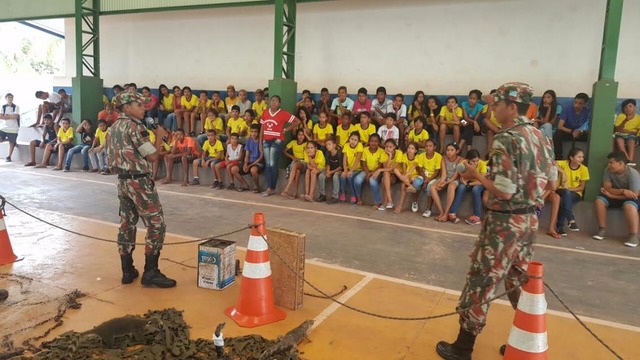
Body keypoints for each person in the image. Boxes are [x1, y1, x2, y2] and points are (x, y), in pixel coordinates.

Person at [436, 82, 555, 359]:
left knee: (482, 280)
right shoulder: (541, 137)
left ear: (512, 108)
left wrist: (474, 174)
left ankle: (463, 348)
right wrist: (530, 200)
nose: (492, 109)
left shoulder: (506, 138)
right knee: (519, 280)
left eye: (496, 104)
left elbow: (503, 189)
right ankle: (526, 341)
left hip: (503, 225)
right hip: (528, 222)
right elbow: (552, 182)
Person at [106, 91, 176, 288]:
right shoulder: (135, 127)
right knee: (156, 224)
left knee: (127, 224)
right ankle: (151, 272)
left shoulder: (112, 129)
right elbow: (152, 157)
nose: (144, 108)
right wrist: (159, 137)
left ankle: (127, 270)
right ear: (126, 108)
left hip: (123, 182)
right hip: (140, 183)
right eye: (139, 105)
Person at [592, 151, 640, 248]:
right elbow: (607, 188)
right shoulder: (607, 170)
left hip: (629, 198)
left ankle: (634, 236)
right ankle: (602, 230)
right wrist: (623, 191)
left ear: (621, 163)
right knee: (599, 201)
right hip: (617, 195)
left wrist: (613, 195)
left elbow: (634, 195)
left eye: (611, 163)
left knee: (629, 206)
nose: (609, 165)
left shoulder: (633, 173)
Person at [259, 95, 300, 197]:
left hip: (277, 140)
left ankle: (271, 188)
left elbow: (297, 121)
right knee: (268, 164)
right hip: (266, 140)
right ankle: (270, 188)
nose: (273, 103)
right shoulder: (265, 113)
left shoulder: (283, 114)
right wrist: (260, 142)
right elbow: (262, 128)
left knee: (273, 163)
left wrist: (286, 129)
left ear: (279, 104)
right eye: (272, 100)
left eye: (276, 101)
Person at [555, 148, 590, 235]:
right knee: (566, 194)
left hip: (575, 193)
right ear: (571, 157)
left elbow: (581, 187)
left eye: (582, 157)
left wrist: (569, 189)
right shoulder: (564, 163)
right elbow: (551, 162)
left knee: (565, 199)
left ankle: (560, 227)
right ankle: (571, 219)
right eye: (579, 157)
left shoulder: (584, 169)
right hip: (560, 189)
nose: (581, 159)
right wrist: (562, 172)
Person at [448, 149, 487, 225]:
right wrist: (465, 180)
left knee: (475, 190)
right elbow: (462, 176)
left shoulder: (482, 164)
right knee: (461, 188)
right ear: (468, 160)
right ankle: (452, 213)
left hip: (479, 183)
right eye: (473, 161)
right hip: (467, 181)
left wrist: (468, 184)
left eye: (477, 161)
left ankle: (477, 216)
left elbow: (482, 180)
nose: (475, 163)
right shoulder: (463, 163)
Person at [553, 93, 591, 160]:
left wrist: (581, 132)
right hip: (568, 132)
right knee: (557, 133)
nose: (576, 105)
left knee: (592, 135)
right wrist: (572, 131)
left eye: (580, 103)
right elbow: (560, 126)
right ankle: (558, 157)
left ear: (585, 104)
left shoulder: (588, 111)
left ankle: (588, 158)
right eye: (575, 102)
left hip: (580, 133)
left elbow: (590, 127)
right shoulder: (567, 109)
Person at [431, 143, 462, 222]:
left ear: (457, 151)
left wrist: (446, 183)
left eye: (452, 150)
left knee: (451, 187)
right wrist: (441, 182)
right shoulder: (444, 159)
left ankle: (446, 213)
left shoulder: (461, 160)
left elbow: (455, 175)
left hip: (454, 180)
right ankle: (441, 211)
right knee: (432, 187)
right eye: (448, 150)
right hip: (446, 178)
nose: (449, 152)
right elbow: (444, 174)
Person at [393, 142, 423, 214]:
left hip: (414, 176)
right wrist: (404, 177)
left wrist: (405, 177)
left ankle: (400, 206)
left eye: (412, 148)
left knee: (403, 184)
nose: (410, 150)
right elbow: (404, 169)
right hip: (406, 176)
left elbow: (412, 169)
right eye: (409, 148)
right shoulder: (404, 155)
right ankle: (410, 186)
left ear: (415, 151)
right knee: (395, 169)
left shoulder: (417, 157)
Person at [281, 129, 308, 199]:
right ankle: (295, 192)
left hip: (304, 163)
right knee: (297, 172)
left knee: (295, 165)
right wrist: (292, 157)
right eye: (299, 135)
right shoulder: (293, 142)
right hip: (296, 162)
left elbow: (307, 157)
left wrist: (298, 160)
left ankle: (287, 187)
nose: (301, 136)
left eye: (302, 135)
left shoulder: (306, 144)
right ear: (297, 135)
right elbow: (284, 151)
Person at [361, 134, 386, 209]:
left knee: (372, 181)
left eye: (376, 141)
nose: (373, 143)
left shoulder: (381, 151)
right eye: (371, 141)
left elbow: (380, 165)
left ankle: (377, 202)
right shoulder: (365, 150)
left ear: (379, 143)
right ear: (369, 142)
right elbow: (363, 164)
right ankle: (357, 198)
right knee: (357, 180)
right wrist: (368, 173)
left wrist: (371, 174)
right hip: (366, 171)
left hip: (377, 172)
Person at [340, 132, 364, 204]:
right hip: (349, 168)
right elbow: (344, 159)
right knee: (342, 176)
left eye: (355, 140)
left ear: (358, 141)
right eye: (352, 139)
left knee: (350, 177)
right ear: (349, 139)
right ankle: (343, 193)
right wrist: (345, 170)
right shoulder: (346, 146)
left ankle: (353, 195)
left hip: (358, 169)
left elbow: (358, 160)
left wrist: (351, 171)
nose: (353, 141)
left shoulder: (359, 146)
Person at [420, 139, 443, 218]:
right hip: (424, 177)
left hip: (435, 177)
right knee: (417, 182)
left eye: (430, 146)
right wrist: (425, 178)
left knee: (430, 186)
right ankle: (414, 202)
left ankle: (428, 209)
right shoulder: (421, 156)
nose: (428, 148)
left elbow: (437, 172)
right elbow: (420, 169)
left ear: (434, 147)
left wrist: (428, 180)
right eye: (426, 146)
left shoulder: (438, 156)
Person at [613, 99, 640, 165]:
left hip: (632, 136)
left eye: (630, 106)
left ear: (635, 107)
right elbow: (618, 129)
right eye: (625, 107)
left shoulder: (638, 118)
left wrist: (628, 131)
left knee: (631, 140)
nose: (628, 108)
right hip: (620, 135)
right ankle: (627, 159)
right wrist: (625, 120)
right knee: (619, 140)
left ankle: (630, 160)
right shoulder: (621, 116)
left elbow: (637, 132)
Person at [240, 124, 264, 193]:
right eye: (252, 132)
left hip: (259, 163)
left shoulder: (261, 142)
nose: (253, 134)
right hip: (250, 162)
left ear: (259, 133)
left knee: (253, 170)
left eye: (255, 132)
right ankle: (245, 185)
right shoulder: (249, 141)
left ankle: (257, 187)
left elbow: (260, 158)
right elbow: (247, 155)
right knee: (234, 169)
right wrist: (245, 164)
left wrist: (249, 166)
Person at [380, 139, 402, 210]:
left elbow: (392, 168)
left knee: (384, 178)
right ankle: (389, 201)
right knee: (384, 178)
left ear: (394, 147)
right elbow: (386, 167)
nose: (388, 148)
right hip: (389, 174)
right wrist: (389, 156)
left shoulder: (399, 153)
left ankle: (385, 202)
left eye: (390, 147)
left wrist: (380, 170)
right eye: (386, 147)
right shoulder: (383, 154)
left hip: (397, 174)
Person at [319, 137, 343, 204]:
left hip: (338, 170)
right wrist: (327, 171)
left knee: (335, 176)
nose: (327, 146)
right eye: (326, 145)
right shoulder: (327, 153)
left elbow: (340, 167)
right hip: (331, 169)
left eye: (329, 144)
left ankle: (335, 197)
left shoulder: (339, 153)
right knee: (321, 176)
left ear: (334, 145)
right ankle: (322, 195)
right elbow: (328, 164)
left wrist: (331, 172)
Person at [0, 93, 20, 162]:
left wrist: (6, 116)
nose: (10, 99)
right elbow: (0, 116)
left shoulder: (16, 107)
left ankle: (9, 156)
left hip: (13, 128)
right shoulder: (3, 107)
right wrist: (10, 116)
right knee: (1, 139)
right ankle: (10, 140)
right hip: (4, 127)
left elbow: (15, 116)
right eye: (9, 97)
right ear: (6, 98)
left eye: (12, 97)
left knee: (11, 143)